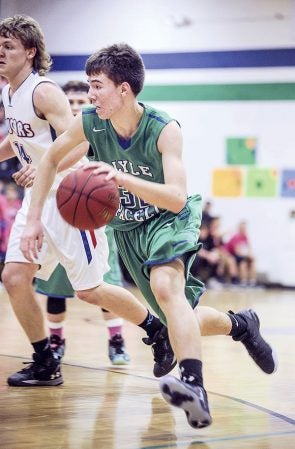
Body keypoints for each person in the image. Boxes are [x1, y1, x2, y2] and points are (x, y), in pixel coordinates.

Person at [21, 41, 277, 429]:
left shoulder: (164, 129)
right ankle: (241, 324)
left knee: (164, 285)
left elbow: (175, 199)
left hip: (169, 219)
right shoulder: (90, 122)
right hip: (128, 227)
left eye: (96, 85)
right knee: (179, 317)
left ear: (123, 89)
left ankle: (193, 382)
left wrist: (120, 178)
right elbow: (53, 159)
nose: (89, 94)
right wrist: (35, 217)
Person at [0, 15, 175, 388]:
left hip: (69, 195)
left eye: (8, 47)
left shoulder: (42, 91)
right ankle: (45, 361)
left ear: (30, 52)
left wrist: (44, 166)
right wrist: (29, 164)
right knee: (15, 277)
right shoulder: (8, 92)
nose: (0, 53)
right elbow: (17, 139)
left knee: (89, 289)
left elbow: (79, 143)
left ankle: (156, 329)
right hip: (38, 195)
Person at [34, 80, 130, 365]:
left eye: (80, 102)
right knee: (54, 288)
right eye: (70, 102)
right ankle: (56, 339)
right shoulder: (53, 144)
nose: (76, 107)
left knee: (102, 284)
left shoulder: (104, 134)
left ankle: (116, 338)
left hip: (95, 220)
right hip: (58, 216)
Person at [224, 220, 257, 287]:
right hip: (232, 255)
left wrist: (250, 255)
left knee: (252, 261)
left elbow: (249, 248)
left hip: (241, 256)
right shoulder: (236, 237)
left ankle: (252, 282)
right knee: (243, 263)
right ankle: (243, 282)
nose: (244, 229)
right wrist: (248, 255)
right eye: (242, 228)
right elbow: (237, 252)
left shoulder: (245, 236)